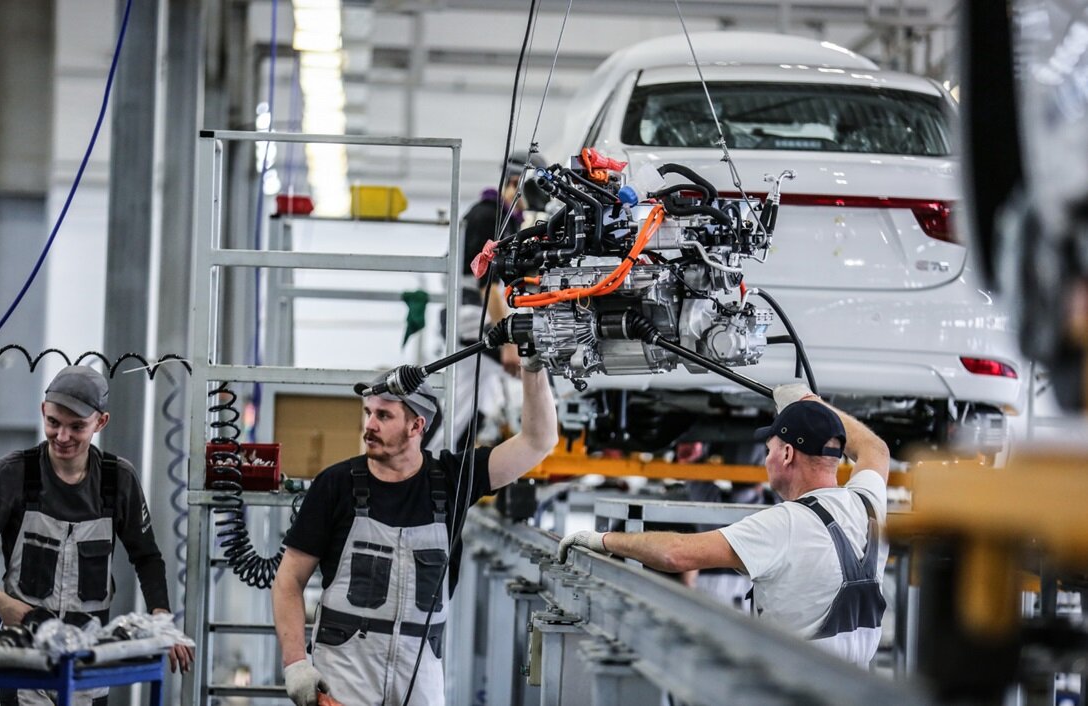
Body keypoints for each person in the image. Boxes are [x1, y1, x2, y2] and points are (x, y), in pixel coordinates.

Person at [272, 360, 558, 706]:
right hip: (346, 668)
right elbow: (289, 578)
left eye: (384, 416)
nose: (369, 425)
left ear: (416, 425)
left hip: (420, 667)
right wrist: (296, 665)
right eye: (368, 413)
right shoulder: (335, 485)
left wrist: (533, 364)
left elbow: (539, 441)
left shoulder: (453, 479)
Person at [558, 383, 891, 668]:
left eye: (769, 449)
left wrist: (601, 539)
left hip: (796, 691)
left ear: (787, 454)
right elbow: (876, 449)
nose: (766, 459)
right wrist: (813, 406)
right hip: (857, 687)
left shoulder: (785, 524)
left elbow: (677, 554)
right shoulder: (868, 504)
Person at [0, 366, 194, 705]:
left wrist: (162, 619)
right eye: (54, 423)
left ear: (100, 422)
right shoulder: (13, 475)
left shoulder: (117, 481)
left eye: (77, 427)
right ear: (43, 412)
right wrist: (1, 603)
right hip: (22, 660)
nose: (62, 437)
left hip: (88, 665)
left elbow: (147, 557)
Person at [446, 151, 549, 449]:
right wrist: (507, 343)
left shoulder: (506, 220)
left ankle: (454, 463)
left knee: (474, 403)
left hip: (477, 314)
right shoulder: (490, 215)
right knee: (533, 357)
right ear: (516, 182)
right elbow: (487, 284)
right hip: (469, 314)